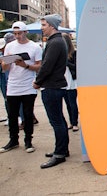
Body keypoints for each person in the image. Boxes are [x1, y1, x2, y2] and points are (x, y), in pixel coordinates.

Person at [0, 22, 42, 154]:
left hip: (28, 86)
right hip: (13, 85)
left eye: (19, 33)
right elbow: (4, 67)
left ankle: (28, 140)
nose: (17, 36)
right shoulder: (10, 47)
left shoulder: (35, 47)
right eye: (15, 34)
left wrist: (25, 65)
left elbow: (39, 66)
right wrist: (8, 62)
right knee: (12, 115)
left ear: (25, 32)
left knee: (28, 114)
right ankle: (13, 140)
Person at [33, 14, 69, 169]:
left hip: (52, 87)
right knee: (59, 120)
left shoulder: (55, 42)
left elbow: (47, 66)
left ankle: (60, 153)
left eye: (44, 25)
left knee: (57, 122)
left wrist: (37, 81)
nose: (42, 28)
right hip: (55, 86)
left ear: (52, 26)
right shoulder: (57, 41)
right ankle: (62, 150)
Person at [62, 33, 79, 132]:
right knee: (67, 103)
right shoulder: (60, 53)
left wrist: (66, 62)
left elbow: (76, 67)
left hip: (72, 81)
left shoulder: (74, 53)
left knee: (72, 103)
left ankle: (75, 122)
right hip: (63, 81)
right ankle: (71, 122)